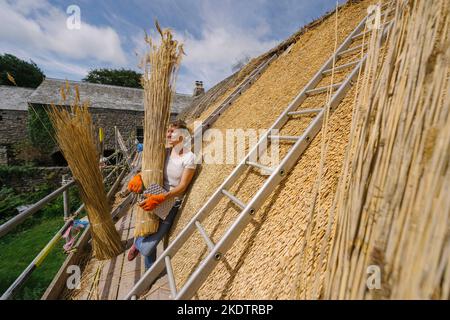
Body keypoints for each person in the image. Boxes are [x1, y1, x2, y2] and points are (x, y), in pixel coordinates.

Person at [127, 120, 196, 270]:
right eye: (168, 131)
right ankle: (148, 272)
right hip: (153, 191)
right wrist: (139, 176)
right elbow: (148, 169)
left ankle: (137, 244)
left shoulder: (189, 158)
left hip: (171, 200)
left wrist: (162, 198)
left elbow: (183, 186)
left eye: (173, 131)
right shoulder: (164, 152)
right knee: (147, 229)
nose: (169, 134)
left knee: (148, 246)